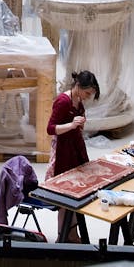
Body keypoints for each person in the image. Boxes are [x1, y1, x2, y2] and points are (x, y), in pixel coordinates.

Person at [46, 70, 100, 242]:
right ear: (78, 86)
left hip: (75, 147)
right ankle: (64, 235)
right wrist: (71, 125)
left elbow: (77, 122)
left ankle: (72, 233)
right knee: (65, 195)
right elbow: (50, 128)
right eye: (87, 93)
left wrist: (80, 123)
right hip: (64, 151)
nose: (87, 97)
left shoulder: (77, 100)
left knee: (78, 192)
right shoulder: (63, 101)